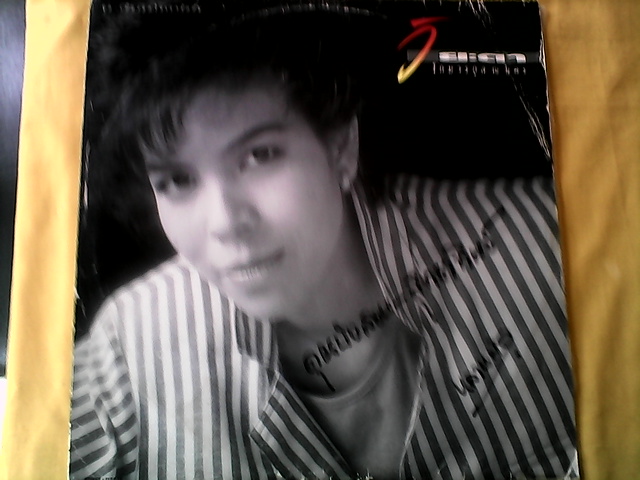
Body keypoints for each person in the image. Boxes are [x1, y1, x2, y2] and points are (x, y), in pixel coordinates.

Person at [70, 3, 578, 479]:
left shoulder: (540, 245)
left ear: (340, 146)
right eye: (178, 181)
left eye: (260, 155)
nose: (224, 223)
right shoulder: (126, 354)